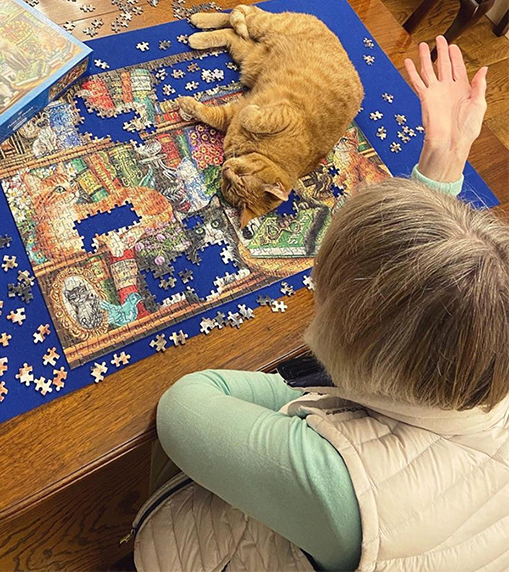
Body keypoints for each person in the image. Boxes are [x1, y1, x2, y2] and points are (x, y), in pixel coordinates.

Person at [131, 36, 509, 572]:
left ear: (348, 344)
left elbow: (184, 406)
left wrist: (294, 391)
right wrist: (442, 166)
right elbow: (437, 299)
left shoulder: (336, 483)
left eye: (322, 288)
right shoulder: (488, 347)